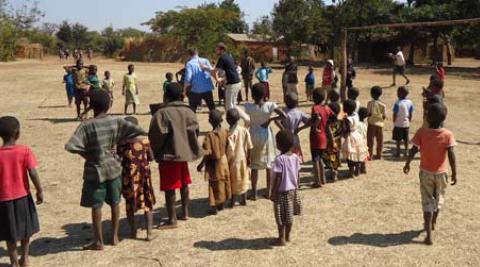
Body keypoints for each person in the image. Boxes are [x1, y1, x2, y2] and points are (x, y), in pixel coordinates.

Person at [65, 90, 145, 250]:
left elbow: (71, 146)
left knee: (97, 206)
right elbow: (139, 131)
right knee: (115, 203)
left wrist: (88, 155)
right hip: (114, 168)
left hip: (95, 171)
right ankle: (115, 236)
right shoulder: (115, 121)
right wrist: (119, 140)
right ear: (109, 105)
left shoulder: (86, 125)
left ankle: (99, 242)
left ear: (91, 106)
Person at [148, 83, 202, 228]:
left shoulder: (162, 113)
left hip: (169, 155)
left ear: (166, 96)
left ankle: (172, 219)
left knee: (170, 187)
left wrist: (155, 152)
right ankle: (184, 211)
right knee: (184, 183)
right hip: (184, 154)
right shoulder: (189, 111)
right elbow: (195, 131)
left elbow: (156, 135)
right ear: (181, 96)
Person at [403, 103, 457, 245]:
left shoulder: (422, 132)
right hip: (442, 174)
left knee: (427, 201)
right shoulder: (448, 135)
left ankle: (428, 234)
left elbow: (413, 150)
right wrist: (455, 173)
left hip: (426, 173)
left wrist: (407, 163)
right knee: (438, 199)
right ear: (444, 118)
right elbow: (451, 154)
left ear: (427, 117)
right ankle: (433, 221)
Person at [0, 116, 43, 267]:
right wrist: (39, 190)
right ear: (17, 134)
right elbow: (32, 172)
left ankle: (14, 262)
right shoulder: (24, 151)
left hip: (3, 199)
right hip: (22, 196)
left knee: (9, 232)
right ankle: (25, 258)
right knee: (26, 229)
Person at [242, 83, 285, 200]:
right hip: (265, 135)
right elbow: (283, 115)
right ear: (265, 94)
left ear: (252, 95)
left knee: (254, 166)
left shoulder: (248, 107)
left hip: (253, 135)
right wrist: (271, 119)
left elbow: (245, 120)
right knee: (268, 165)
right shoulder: (270, 106)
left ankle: (254, 193)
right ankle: (268, 191)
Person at [117, 116, 156, 241]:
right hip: (144, 176)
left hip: (128, 178)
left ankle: (133, 231)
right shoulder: (144, 141)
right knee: (148, 203)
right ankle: (149, 233)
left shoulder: (122, 143)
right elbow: (151, 157)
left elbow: (118, 159)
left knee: (129, 204)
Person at [270, 130, 301, 246]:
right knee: (289, 215)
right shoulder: (296, 157)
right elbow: (297, 175)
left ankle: (281, 238)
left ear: (279, 145)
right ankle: (288, 236)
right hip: (292, 190)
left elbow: (278, 177)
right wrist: (297, 186)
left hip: (281, 192)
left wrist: (273, 192)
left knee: (280, 216)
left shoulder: (279, 159)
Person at [197, 110, 231, 214]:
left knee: (214, 184)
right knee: (223, 181)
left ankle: (214, 207)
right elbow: (228, 145)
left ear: (210, 121)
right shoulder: (225, 131)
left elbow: (207, 153)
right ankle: (221, 204)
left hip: (214, 163)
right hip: (224, 161)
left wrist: (201, 164)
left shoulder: (209, 136)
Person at [226, 108, 253, 207]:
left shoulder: (230, 134)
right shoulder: (244, 130)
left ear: (227, 120)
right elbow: (250, 146)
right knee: (244, 179)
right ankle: (244, 200)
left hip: (234, 161)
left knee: (233, 180)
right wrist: (249, 158)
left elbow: (230, 149)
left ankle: (232, 202)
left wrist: (227, 160)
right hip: (244, 159)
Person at [309, 89, 334, 187]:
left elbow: (317, 118)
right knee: (320, 159)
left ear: (313, 98)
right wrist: (327, 125)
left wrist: (315, 127)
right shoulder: (327, 108)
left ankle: (317, 181)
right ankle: (323, 179)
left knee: (315, 159)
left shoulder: (315, 108)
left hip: (316, 137)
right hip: (324, 136)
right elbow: (333, 117)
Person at [276, 93, 310, 162]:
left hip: (285, 138)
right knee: (296, 159)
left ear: (285, 101)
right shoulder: (299, 113)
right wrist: (300, 128)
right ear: (297, 103)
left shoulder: (283, 112)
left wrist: (283, 129)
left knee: (285, 158)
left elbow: (276, 120)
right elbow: (310, 121)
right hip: (295, 138)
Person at [342, 100, 369, 178]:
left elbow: (346, 130)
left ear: (347, 109)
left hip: (351, 137)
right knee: (357, 154)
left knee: (350, 155)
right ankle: (357, 170)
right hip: (358, 135)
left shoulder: (347, 119)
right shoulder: (356, 115)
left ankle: (351, 172)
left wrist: (343, 135)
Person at [213, 43, 242, 110]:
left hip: (232, 85)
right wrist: (221, 79)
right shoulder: (229, 56)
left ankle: (234, 119)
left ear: (222, 50)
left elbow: (215, 71)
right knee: (233, 105)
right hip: (237, 83)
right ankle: (246, 119)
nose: (215, 50)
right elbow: (230, 72)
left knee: (228, 106)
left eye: (217, 49)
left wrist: (217, 79)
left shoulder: (222, 58)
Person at [393, 86, 414, 158]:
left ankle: (398, 153)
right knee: (406, 139)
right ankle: (406, 152)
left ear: (400, 94)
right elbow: (410, 113)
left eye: (397, 92)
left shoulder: (397, 103)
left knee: (398, 140)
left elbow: (395, 113)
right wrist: (409, 120)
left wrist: (394, 121)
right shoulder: (410, 102)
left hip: (398, 124)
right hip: (406, 124)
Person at [324, 102, 343, 181]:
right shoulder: (340, 120)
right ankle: (336, 169)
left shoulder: (328, 122)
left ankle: (333, 173)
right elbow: (342, 130)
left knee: (331, 157)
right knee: (336, 156)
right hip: (338, 140)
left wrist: (332, 141)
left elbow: (329, 132)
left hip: (330, 142)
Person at [366, 86, 386, 160]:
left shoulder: (370, 103)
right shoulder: (383, 105)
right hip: (380, 124)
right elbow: (384, 116)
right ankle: (379, 155)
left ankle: (370, 155)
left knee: (370, 140)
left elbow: (368, 113)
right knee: (380, 140)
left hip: (371, 123)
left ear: (371, 94)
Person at [357, 107, 369, 174]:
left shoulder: (357, 124)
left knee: (358, 157)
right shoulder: (364, 124)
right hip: (364, 142)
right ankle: (363, 168)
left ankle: (358, 170)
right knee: (363, 156)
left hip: (358, 142)